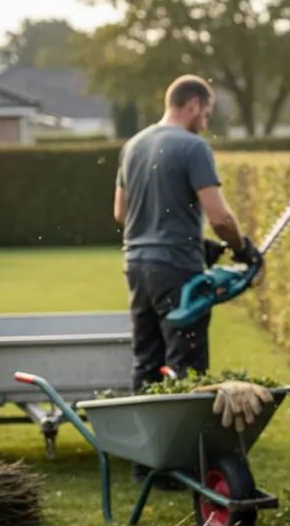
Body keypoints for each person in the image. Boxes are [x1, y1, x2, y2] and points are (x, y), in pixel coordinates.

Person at [113, 74, 263, 486]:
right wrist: (242, 246)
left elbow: (122, 215)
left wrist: (199, 243)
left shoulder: (133, 145)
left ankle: (146, 463)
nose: (206, 122)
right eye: (207, 113)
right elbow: (219, 216)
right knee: (185, 365)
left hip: (137, 267)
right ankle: (178, 466)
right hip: (176, 270)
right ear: (194, 104)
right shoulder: (193, 147)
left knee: (147, 362)